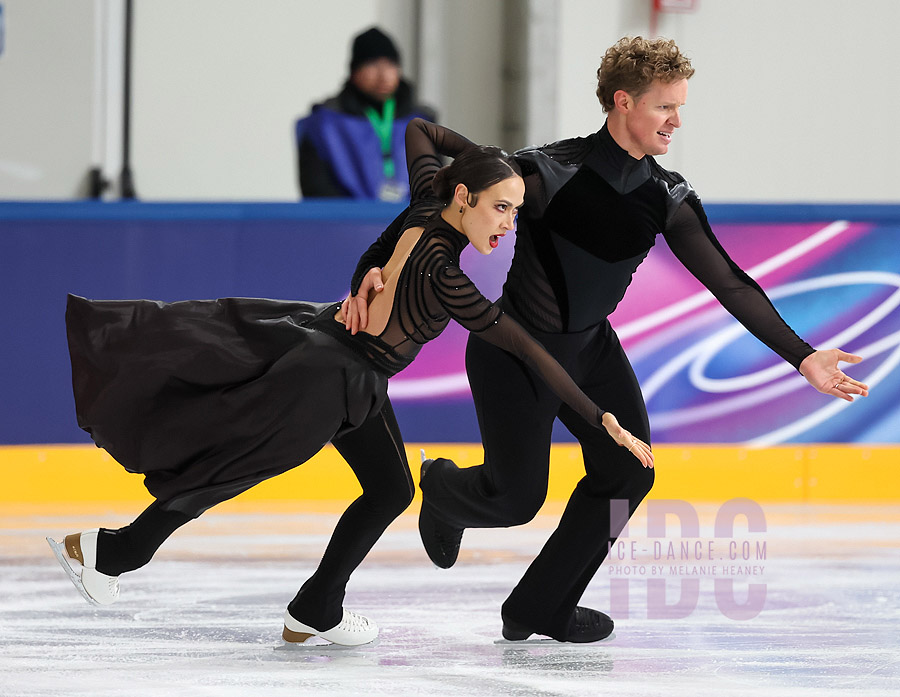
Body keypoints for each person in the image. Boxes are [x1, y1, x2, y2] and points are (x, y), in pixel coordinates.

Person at [342, 36, 870, 643]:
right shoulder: (544, 172)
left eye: (680, 107)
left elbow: (728, 280)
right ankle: (440, 487)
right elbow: (435, 165)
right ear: (623, 102)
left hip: (591, 351)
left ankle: (538, 607)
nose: (677, 121)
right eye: (664, 107)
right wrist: (376, 264)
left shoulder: (666, 195)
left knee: (629, 471)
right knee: (515, 501)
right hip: (514, 350)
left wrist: (802, 356)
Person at [48, 119, 651, 648]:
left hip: (343, 364)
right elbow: (526, 347)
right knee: (234, 467)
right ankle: (108, 553)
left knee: (387, 489)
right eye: (500, 207)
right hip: (332, 376)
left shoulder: (425, 205)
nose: (509, 224)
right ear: (464, 198)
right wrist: (602, 419)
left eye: (517, 211)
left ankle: (314, 609)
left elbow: (420, 130)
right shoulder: (445, 274)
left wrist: (480, 165)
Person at [297, 26, 436, 201]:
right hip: (347, 224)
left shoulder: (424, 122)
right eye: (373, 65)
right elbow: (317, 192)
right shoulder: (324, 125)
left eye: (390, 65)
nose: (383, 75)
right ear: (354, 72)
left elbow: (436, 188)